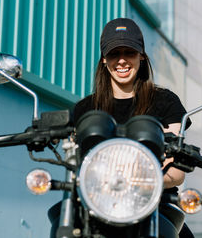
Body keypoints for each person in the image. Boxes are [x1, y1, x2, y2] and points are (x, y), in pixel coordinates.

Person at [73, 18, 194, 237]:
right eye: (113, 53)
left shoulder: (166, 102)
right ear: (103, 59)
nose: (121, 61)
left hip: (158, 205)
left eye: (129, 52)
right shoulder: (86, 110)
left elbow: (176, 173)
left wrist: (131, 185)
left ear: (142, 55)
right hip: (98, 207)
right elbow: (75, 162)